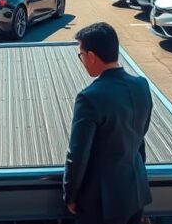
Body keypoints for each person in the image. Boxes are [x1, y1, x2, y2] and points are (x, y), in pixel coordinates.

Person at [63, 22, 153, 224]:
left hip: (101, 204)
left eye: (81, 55)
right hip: (135, 192)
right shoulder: (141, 85)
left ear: (92, 56)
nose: (82, 61)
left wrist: (70, 195)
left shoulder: (89, 98)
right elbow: (140, 138)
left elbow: (78, 155)